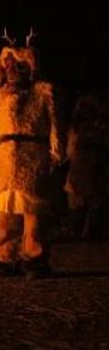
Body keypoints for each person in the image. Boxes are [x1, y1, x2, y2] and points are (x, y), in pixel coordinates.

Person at [0, 32, 62, 278]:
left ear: (30, 68)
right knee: (5, 214)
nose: (13, 71)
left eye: (19, 66)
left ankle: (34, 259)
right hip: (4, 159)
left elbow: (54, 127)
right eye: (9, 67)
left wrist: (53, 156)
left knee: (33, 213)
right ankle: (7, 257)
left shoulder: (43, 94)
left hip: (32, 159)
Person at [64, 92, 108, 240]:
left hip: (90, 163)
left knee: (89, 198)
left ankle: (85, 230)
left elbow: (70, 148)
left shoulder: (93, 128)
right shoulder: (83, 128)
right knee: (85, 198)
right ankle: (82, 230)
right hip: (84, 164)